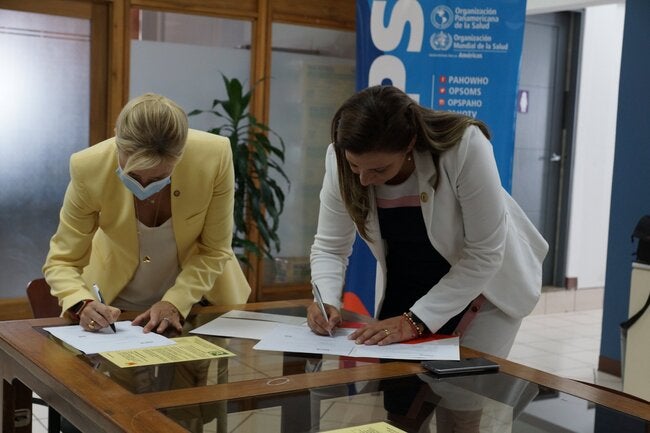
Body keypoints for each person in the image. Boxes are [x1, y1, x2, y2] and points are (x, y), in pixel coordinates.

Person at [308, 85, 548, 359]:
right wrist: (326, 300)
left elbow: (484, 254)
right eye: (355, 166)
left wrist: (415, 321)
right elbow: (330, 247)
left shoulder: (464, 146)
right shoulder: (338, 160)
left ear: (409, 143)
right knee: (394, 382)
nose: (363, 179)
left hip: (484, 290)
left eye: (379, 169)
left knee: (461, 384)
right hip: (407, 283)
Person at [43, 92, 251, 334]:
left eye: (158, 178)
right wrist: (82, 303)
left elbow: (215, 250)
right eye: (132, 175)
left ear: (181, 155)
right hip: (116, 308)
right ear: (116, 139)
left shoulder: (213, 157)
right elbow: (62, 260)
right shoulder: (89, 167)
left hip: (200, 304)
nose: (143, 186)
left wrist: (175, 302)